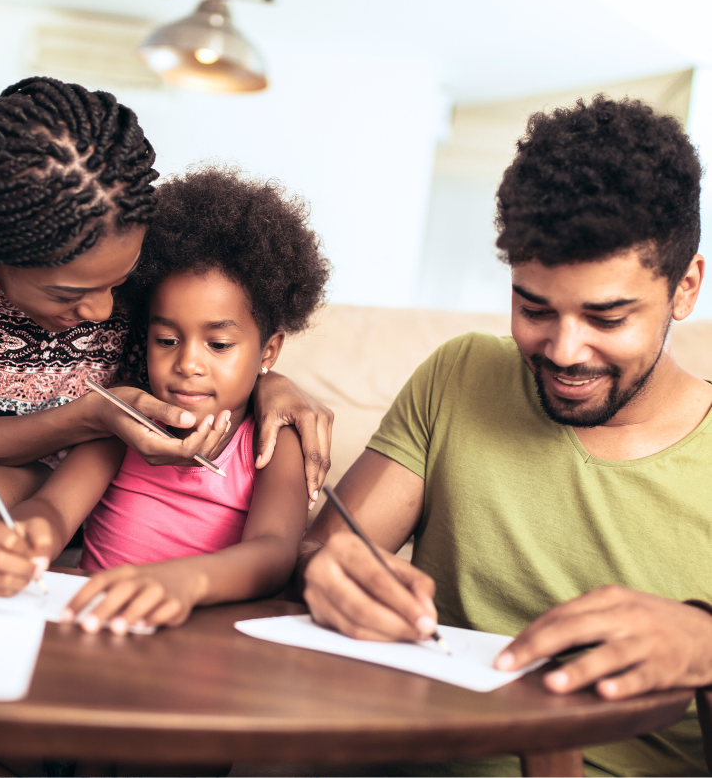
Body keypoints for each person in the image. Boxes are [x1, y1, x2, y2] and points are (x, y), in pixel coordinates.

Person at [298, 95, 712, 776]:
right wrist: (328, 574)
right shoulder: (462, 374)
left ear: (685, 289)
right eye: (534, 307)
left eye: (607, 318)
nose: (564, 350)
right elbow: (329, 549)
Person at [0, 76, 334, 554]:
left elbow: (214, 334)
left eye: (118, 285)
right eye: (69, 292)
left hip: (42, 467)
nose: (100, 310)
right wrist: (90, 416)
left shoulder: (136, 227)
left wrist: (271, 383)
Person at [0, 166, 330, 633]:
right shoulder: (125, 425)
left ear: (269, 352)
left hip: (206, 647)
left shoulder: (274, 443)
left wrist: (184, 581)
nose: (188, 364)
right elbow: (55, 509)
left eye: (218, 345)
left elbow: (275, 552)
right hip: (95, 628)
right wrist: (24, 534)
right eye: (166, 340)